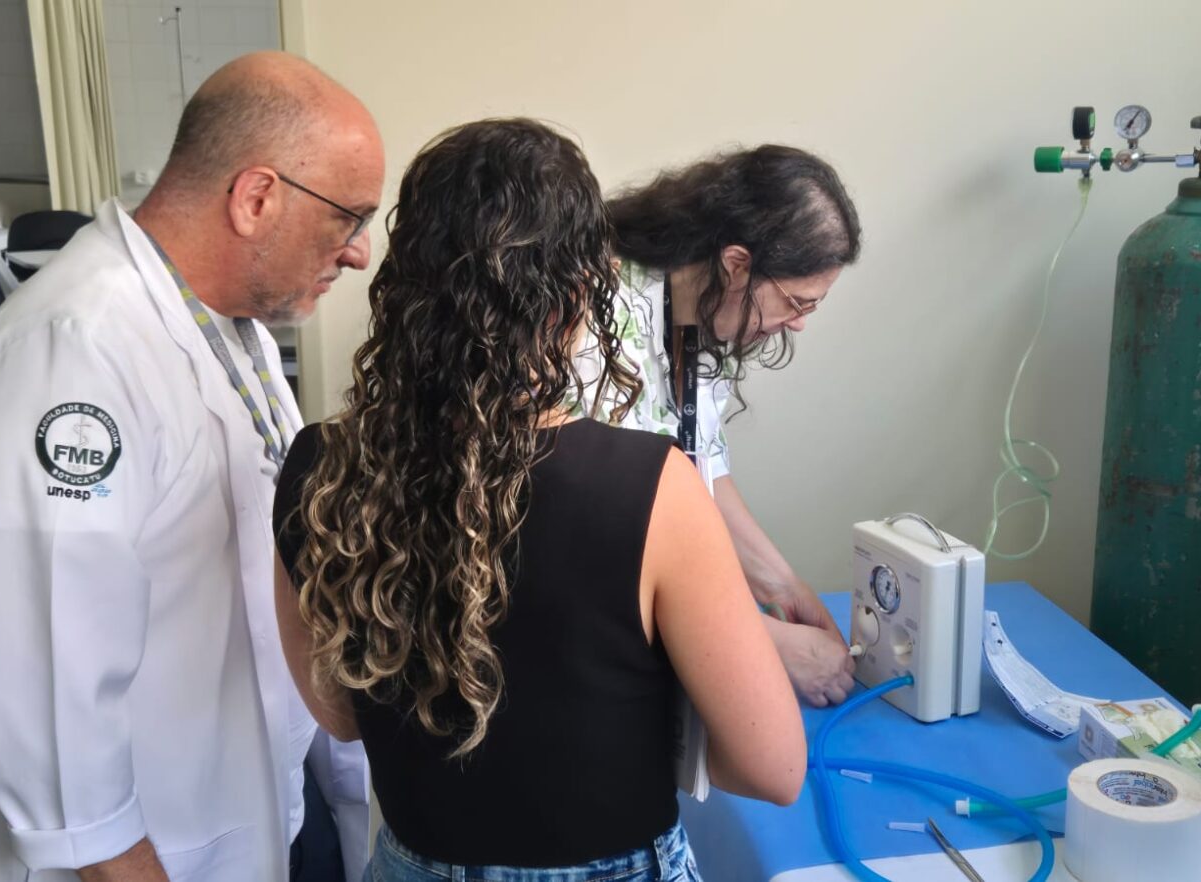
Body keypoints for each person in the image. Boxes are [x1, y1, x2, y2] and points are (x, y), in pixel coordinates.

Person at [272, 118, 804, 882]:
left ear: (408, 282)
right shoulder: (653, 489)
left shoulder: (317, 467)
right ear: (579, 295)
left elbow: (340, 716)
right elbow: (773, 768)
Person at [0, 52, 384, 882]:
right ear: (256, 198)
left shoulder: (232, 330)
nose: (357, 253)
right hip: (148, 852)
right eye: (348, 218)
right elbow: (54, 716)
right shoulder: (72, 355)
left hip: (258, 805)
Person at [572, 146, 863, 707]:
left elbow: (698, 466)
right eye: (796, 302)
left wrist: (782, 584)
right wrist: (761, 639)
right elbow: (606, 537)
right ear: (736, 264)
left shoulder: (707, 314)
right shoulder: (595, 324)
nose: (798, 325)